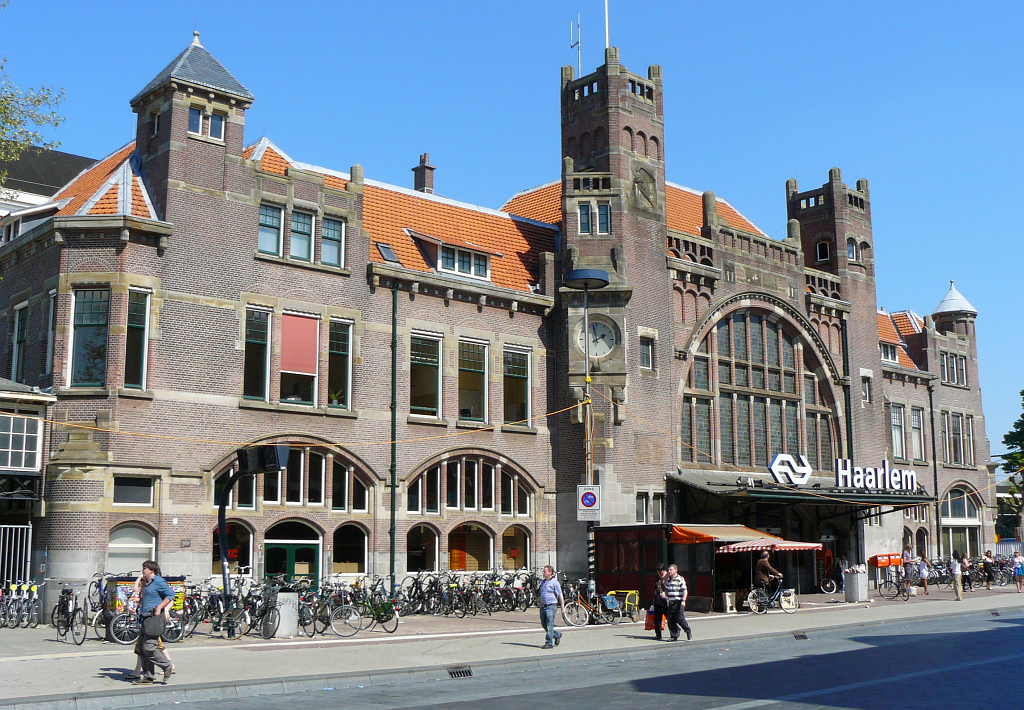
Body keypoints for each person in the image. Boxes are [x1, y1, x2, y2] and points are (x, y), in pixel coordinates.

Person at [126, 573, 175, 681]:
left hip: (154, 620)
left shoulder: (158, 583)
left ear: (152, 571)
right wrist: (138, 601)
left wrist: (162, 609)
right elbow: (140, 594)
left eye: (145, 569)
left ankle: (167, 665)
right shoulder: (148, 586)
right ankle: (148, 676)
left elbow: (170, 596)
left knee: (149, 648)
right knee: (143, 649)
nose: (143, 571)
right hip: (145, 619)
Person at [537, 565, 565, 649]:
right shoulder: (543, 582)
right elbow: (542, 594)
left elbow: (560, 595)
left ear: (550, 572)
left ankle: (549, 643)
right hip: (543, 606)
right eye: (543, 571)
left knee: (549, 624)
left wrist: (563, 607)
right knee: (544, 624)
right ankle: (557, 635)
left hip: (551, 606)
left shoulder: (555, 582)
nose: (543, 573)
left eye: (545, 571)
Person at [663, 564, 692, 641]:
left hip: (678, 602)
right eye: (669, 570)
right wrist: (664, 594)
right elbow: (666, 590)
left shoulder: (680, 579)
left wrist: (683, 600)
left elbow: (685, 590)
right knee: (670, 620)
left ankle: (687, 630)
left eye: (671, 570)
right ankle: (673, 636)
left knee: (680, 618)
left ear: (676, 570)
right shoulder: (668, 580)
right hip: (671, 602)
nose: (669, 571)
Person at [650, 563, 669, 640]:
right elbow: (655, 587)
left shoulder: (668, 577)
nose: (659, 573)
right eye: (658, 572)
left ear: (664, 570)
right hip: (658, 599)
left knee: (668, 616)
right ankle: (658, 634)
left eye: (660, 572)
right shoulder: (657, 577)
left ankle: (674, 632)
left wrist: (666, 593)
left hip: (666, 599)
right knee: (657, 617)